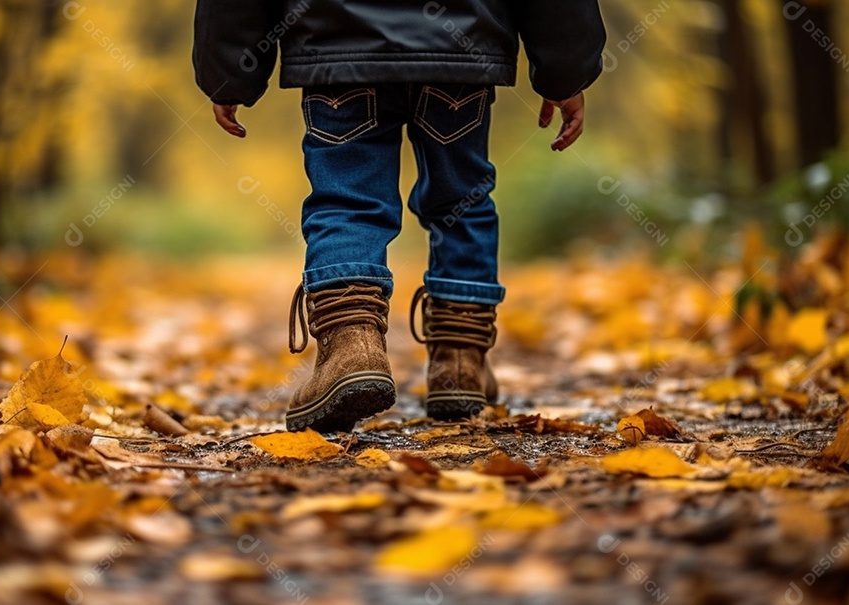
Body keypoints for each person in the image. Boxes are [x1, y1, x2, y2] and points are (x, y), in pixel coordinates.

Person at [193, 1, 606, 432]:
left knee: (348, 199)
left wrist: (230, 72)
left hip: (339, 45)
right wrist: (564, 70)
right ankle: (459, 361)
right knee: (460, 201)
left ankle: (351, 347)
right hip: (459, 48)